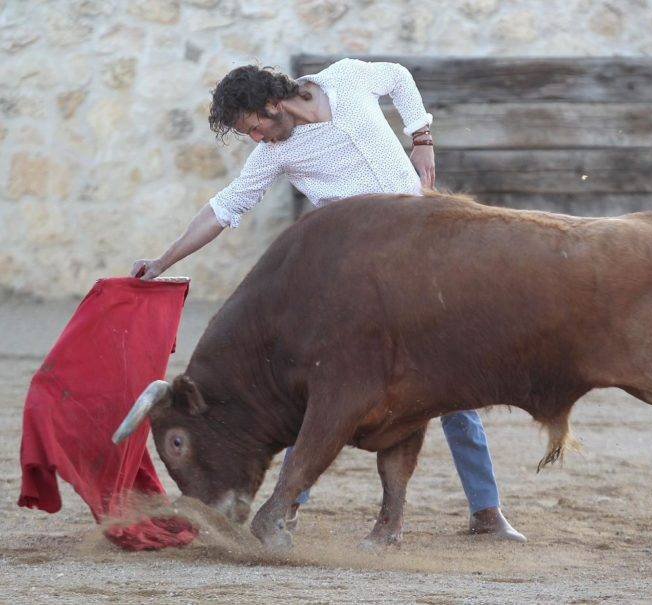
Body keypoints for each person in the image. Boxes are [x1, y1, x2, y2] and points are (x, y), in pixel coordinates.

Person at [130, 58, 525, 541]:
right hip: (356, 284)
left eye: (254, 126)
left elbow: (398, 77)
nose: (256, 138)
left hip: (423, 262)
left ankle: (487, 512)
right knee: (325, 392)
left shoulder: (346, 78)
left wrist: (422, 138)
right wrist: (163, 261)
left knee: (452, 385)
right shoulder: (277, 150)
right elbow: (225, 207)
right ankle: (287, 509)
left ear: (273, 104)